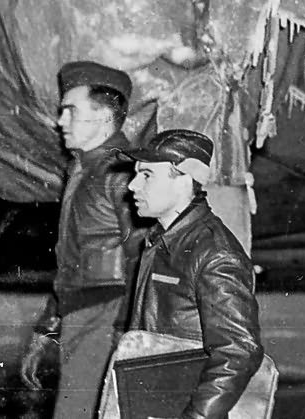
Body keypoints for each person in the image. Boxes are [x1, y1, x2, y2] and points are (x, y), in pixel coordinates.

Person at [20, 61, 139, 419]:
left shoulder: (122, 173)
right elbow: (71, 259)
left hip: (107, 315)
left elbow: (141, 254)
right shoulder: (82, 169)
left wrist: (126, 331)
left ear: (103, 116)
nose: (60, 121)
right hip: (84, 315)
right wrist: (47, 328)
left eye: (70, 110)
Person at [122, 129, 263, 419]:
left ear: (184, 180)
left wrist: (197, 416)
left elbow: (239, 351)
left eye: (147, 175)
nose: (133, 185)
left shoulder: (215, 254)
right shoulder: (160, 242)